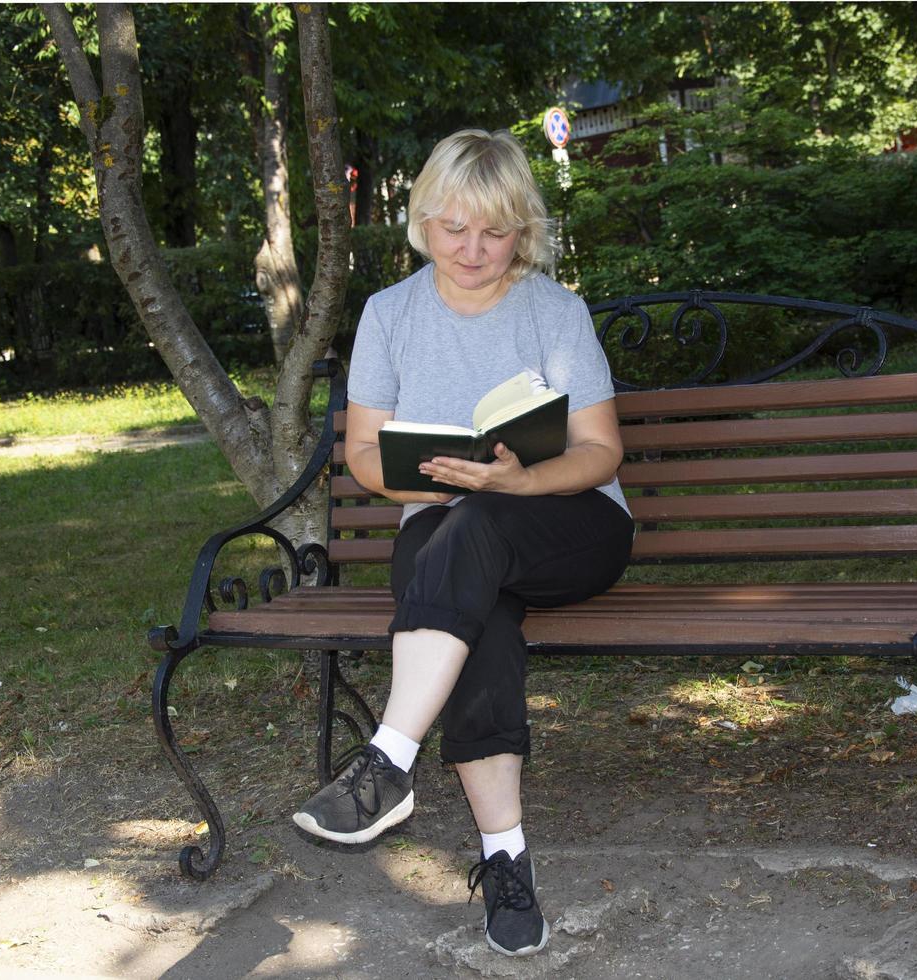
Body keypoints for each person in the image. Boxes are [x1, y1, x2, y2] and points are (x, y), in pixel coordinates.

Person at [291, 129, 634, 957]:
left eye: (495, 231)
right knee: (476, 613)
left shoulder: (555, 311)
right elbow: (367, 456)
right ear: (422, 221)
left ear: (523, 228)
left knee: (477, 529)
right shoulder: (390, 314)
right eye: (454, 229)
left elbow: (601, 452)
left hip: (568, 522)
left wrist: (516, 481)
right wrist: (435, 481)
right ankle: (505, 864)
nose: (473, 250)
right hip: (443, 527)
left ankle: (390, 756)